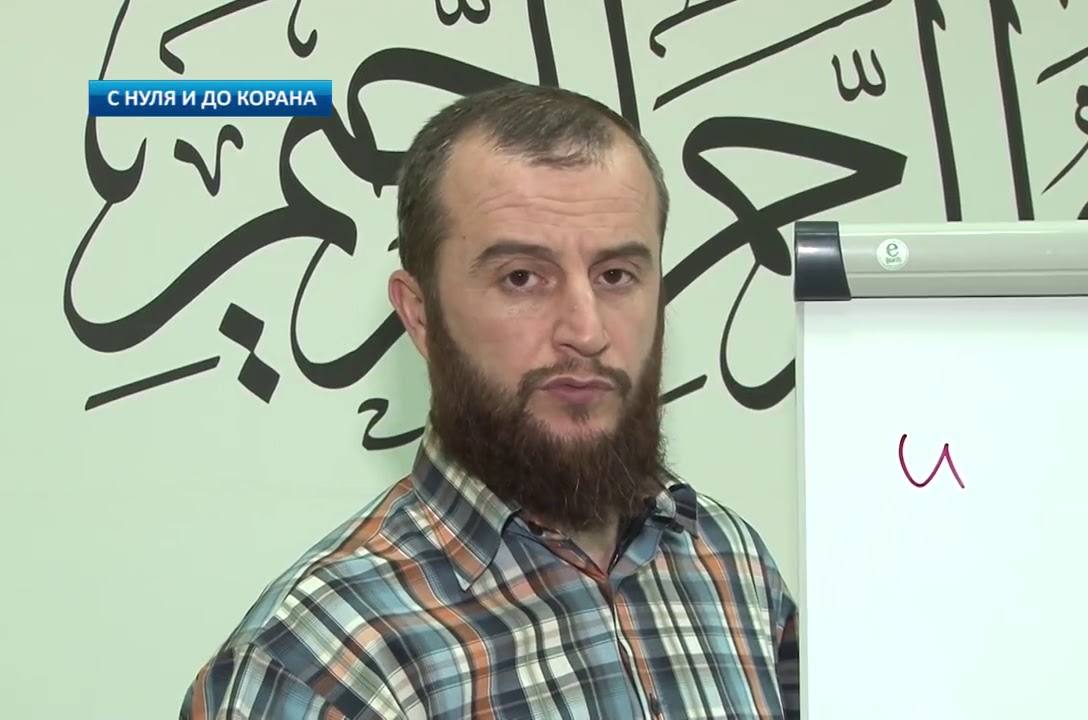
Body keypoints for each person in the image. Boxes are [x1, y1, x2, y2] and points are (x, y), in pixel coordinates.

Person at [180, 82, 800, 719]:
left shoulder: (732, 564)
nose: (586, 331)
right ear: (421, 314)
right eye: (522, 278)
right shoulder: (318, 665)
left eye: (616, 276)